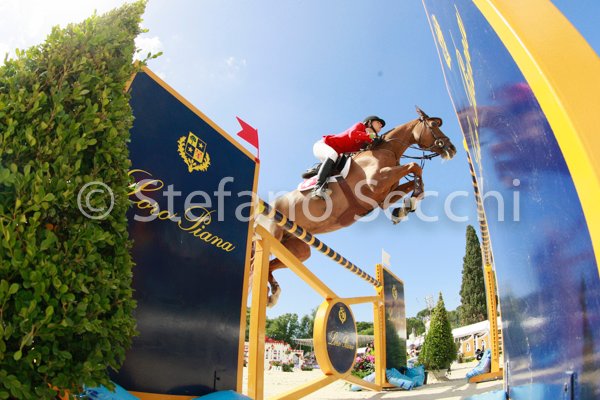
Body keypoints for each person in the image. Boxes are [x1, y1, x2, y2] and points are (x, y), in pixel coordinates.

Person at [310, 115, 385, 198]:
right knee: (333, 154)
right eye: (378, 122)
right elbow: (352, 134)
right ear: (369, 123)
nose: (381, 125)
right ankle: (317, 188)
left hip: (336, 155)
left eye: (381, 124)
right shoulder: (360, 126)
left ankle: (319, 170)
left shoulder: (368, 140)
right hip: (323, 145)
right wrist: (372, 136)